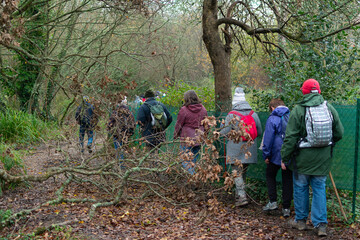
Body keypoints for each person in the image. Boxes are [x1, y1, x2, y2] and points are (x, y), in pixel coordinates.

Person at [281, 79, 344, 236]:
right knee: (319, 188)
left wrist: (285, 157)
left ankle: (301, 222)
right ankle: (320, 225)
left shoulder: (298, 110)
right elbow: (339, 133)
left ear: (304, 92)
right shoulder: (329, 108)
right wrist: (327, 145)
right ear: (319, 91)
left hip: (303, 159)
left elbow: (290, 137)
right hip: (322, 160)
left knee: (301, 187)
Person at [220, 87, 262, 207]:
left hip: (235, 149)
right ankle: (239, 196)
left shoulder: (232, 115)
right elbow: (259, 132)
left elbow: (224, 132)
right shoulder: (253, 114)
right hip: (250, 148)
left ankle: (242, 196)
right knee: (242, 171)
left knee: (236, 172)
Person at [262, 99, 293, 217]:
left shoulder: (272, 118)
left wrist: (266, 154)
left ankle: (273, 201)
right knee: (288, 179)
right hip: (289, 153)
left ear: (272, 107)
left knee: (270, 175)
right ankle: (286, 208)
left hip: (275, 153)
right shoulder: (291, 116)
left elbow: (268, 138)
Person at [174, 90, 208, 174]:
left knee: (185, 159)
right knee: (193, 160)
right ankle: (193, 178)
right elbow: (206, 124)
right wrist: (206, 134)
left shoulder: (184, 110)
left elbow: (179, 124)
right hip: (199, 138)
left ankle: (192, 177)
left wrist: (175, 135)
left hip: (187, 139)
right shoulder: (203, 109)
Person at [107, 97, 135, 162]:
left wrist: (109, 129)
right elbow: (133, 124)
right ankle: (121, 163)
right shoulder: (129, 113)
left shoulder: (115, 112)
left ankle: (120, 164)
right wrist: (130, 132)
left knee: (118, 149)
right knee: (123, 148)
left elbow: (110, 123)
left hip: (116, 134)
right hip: (126, 134)